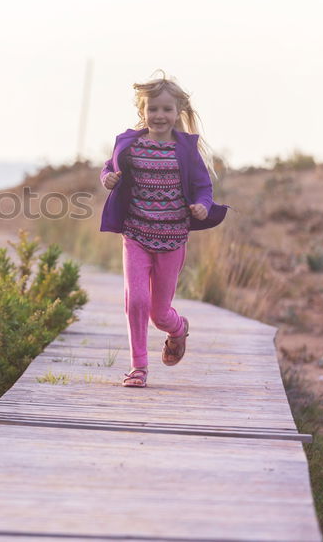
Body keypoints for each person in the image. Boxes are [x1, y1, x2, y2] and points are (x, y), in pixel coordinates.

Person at [98, 70, 230, 388]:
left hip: (172, 238)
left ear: (178, 112)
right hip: (136, 233)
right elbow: (108, 167)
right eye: (153, 108)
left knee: (159, 313)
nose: (159, 115)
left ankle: (178, 328)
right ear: (142, 111)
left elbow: (202, 186)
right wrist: (108, 179)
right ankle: (138, 367)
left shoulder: (185, 149)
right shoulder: (130, 143)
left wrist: (201, 205)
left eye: (166, 109)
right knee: (137, 300)